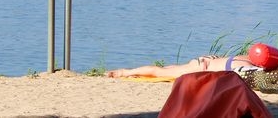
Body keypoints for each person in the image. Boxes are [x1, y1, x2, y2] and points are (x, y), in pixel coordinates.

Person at [106, 54, 256, 78]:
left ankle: (127, 72)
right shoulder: (249, 65)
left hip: (208, 60)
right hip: (202, 67)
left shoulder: (248, 58)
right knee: (158, 72)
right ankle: (123, 72)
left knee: (170, 70)